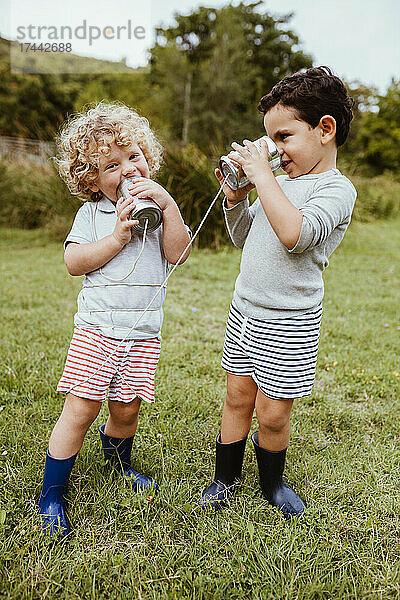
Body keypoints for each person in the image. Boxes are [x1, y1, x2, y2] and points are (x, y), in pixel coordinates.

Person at [200, 66, 357, 518]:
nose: (276, 151)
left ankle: (272, 481)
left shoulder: (335, 189)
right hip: (244, 310)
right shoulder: (279, 182)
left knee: (271, 414)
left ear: (324, 129)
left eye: (284, 137)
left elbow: (295, 234)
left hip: (289, 321)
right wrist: (235, 199)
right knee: (236, 399)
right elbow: (247, 236)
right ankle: (225, 478)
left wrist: (263, 179)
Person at [38, 102, 191, 537]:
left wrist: (170, 205)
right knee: (81, 409)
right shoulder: (93, 215)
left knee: (126, 409)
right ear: (91, 179)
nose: (127, 170)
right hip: (98, 331)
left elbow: (178, 254)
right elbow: (74, 262)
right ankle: (52, 493)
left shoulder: (160, 215)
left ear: (148, 158)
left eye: (134, 157)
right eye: (111, 165)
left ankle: (119, 462)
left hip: (142, 334)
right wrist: (117, 235)